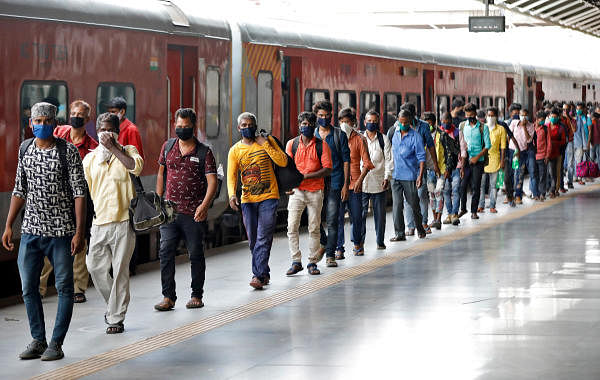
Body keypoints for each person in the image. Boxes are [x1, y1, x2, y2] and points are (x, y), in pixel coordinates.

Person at [2, 102, 87, 361]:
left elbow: (79, 193)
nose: (40, 125)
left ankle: (56, 343)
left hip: (61, 232)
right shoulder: (25, 149)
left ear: (54, 123)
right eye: (36, 121)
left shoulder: (68, 151)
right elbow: (19, 189)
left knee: (64, 287)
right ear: (30, 123)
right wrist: (8, 224)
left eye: (45, 121)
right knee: (28, 287)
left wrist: (79, 231)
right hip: (30, 231)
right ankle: (38, 340)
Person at [83, 113, 143, 334]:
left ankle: (115, 318)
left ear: (117, 132)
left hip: (123, 222)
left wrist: (115, 149)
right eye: (101, 130)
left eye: (109, 130)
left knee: (120, 271)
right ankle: (114, 305)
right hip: (99, 223)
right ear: (95, 131)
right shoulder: (89, 160)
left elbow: (135, 168)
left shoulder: (129, 152)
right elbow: (85, 192)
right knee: (94, 267)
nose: (105, 134)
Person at [154, 108, 217, 310]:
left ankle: (196, 295)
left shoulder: (204, 152)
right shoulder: (168, 146)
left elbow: (212, 182)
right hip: (170, 212)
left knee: (196, 253)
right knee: (165, 252)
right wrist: (159, 200)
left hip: (193, 212)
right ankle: (168, 297)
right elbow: (161, 173)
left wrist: (204, 205)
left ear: (193, 126)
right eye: (178, 126)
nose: (181, 130)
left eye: (186, 127)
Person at [39, 100, 97, 303]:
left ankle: (78, 287)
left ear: (87, 119)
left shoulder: (92, 147)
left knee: (79, 242)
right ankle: (40, 287)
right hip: (56, 199)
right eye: (73, 112)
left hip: (79, 200)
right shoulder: (59, 135)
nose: (75, 116)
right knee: (48, 243)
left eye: (80, 114)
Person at [227, 112, 288, 289]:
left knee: (263, 236)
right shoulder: (235, 151)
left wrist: (266, 145)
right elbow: (231, 177)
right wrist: (232, 195)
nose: (247, 128)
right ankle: (264, 271)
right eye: (243, 126)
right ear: (239, 128)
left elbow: (283, 161)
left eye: (250, 125)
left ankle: (258, 275)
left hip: (269, 196)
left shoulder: (267, 141)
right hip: (248, 200)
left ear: (255, 125)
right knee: (253, 239)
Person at [285, 112, 332, 276]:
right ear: (299, 126)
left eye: (310, 124)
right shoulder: (292, 144)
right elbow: (287, 168)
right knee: (292, 226)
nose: (306, 127)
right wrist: (288, 185)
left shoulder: (322, 145)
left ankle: (312, 262)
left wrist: (306, 176)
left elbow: (327, 169)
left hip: (315, 191)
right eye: (303, 124)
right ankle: (296, 261)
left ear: (314, 126)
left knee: (314, 227)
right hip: (296, 191)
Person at [107, 96, 144, 276]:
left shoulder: (131, 129)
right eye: (110, 111)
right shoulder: (114, 129)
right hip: (115, 181)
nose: (111, 114)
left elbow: (135, 159)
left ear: (122, 112)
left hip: (128, 181)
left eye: (114, 112)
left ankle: (130, 265)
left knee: (129, 224)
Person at [314, 100, 350, 268]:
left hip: (335, 183)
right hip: (316, 184)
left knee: (332, 220)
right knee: (314, 220)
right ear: (316, 116)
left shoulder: (339, 135)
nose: (324, 118)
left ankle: (330, 255)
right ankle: (325, 242)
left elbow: (346, 161)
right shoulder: (311, 135)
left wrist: (345, 185)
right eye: (321, 115)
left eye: (327, 115)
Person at [336, 107, 374, 257]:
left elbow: (367, 163)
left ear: (353, 123)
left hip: (355, 184)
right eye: (342, 122)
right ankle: (339, 248)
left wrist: (360, 180)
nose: (345, 124)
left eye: (347, 122)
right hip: (338, 184)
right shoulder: (335, 138)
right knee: (338, 217)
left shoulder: (359, 139)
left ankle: (357, 243)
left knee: (357, 216)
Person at [398, 103, 440, 235]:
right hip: (405, 168)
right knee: (407, 198)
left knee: (421, 195)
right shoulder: (397, 126)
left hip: (420, 167)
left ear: (413, 116)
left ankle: (423, 222)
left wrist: (435, 165)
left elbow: (431, 146)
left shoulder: (423, 127)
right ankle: (410, 226)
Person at [389, 110, 427, 240]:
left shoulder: (415, 137)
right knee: (397, 205)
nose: (403, 124)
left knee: (414, 204)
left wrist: (420, 176)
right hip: (395, 176)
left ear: (410, 122)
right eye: (401, 122)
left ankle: (420, 228)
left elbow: (421, 158)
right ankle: (399, 233)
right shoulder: (394, 133)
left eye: (405, 122)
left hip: (410, 176)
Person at [360, 110, 392, 249]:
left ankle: (380, 241)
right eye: (369, 121)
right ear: (364, 122)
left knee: (379, 215)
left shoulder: (383, 139)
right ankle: (359, 243)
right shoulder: (359, 138)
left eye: (374, 121)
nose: (371, 123)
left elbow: (389, 160)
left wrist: (387, 177)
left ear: (378, 122)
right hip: (361, 182)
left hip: (379, 182)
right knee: (359, 214)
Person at [458, 102, 491, 220]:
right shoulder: (462, 126)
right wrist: (462, 164)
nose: (469, 118)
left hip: (478, 161)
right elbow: (461, 144)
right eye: (467, 116)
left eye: (471, 115)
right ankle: (463, 209)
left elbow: (487, 146)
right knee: (462, 186)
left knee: (476, 186)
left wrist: (477, 157)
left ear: (475, 114)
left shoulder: (483, 127)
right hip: (466, 160)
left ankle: (474, 211)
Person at [437, 112, 463, 226]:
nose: (445, 124)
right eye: (443, 122)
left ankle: (454, 213)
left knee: (456, 189)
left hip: (456, 166)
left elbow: (463, 150)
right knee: (446, 191)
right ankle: (449, 213)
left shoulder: (457, 133)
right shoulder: (440, 134)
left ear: (451, 122)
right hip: (444, 168)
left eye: (447, 122)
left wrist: (462, 166)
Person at [478, 107, 506, 213]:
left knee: (493, 186)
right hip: (482, 159)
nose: (490, 117)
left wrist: (502, 161)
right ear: (485, 116)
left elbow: (503, 146)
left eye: (492, 115)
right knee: (481, 185)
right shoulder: (482, 128)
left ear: (496, 117)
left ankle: (492, 206)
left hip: (495, 159)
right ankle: (481, 205)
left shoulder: (501, 129)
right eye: (488, 115)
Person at [509, 108, 536, 203]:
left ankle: (518, 195)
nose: (523, 117)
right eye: (522, 115)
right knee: (511, 173)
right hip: (512, 151)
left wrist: (524, 127)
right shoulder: (513, 123)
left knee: (519, 174)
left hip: (522, 153)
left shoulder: (531, 126)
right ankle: (510, 195)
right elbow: (509, 135)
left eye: (525, 115)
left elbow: (529, 140)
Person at [423, 112, 443, 229]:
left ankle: (439, 219)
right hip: (428, 170)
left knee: (438, 193)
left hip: (440, 170)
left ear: (434, 123)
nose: (428, 126)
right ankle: (434, 218)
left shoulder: (441, 135)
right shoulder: (422, 136)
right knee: (431, 195)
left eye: (429, 123)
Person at [501, 103, 522, 208]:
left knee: (515, 173)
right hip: (505, 153)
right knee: (507, 176)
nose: (517, 115)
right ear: (510, 114)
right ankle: (509, 195)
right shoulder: (505, 124)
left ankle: (515, 195)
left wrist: (517, 149)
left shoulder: (522, 123)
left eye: (518, 113)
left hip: (514, 153)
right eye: (515, 114)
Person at [546, 109, 566, 198]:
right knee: (549, 172)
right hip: (547, 153)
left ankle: (554, 189)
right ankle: (550, 188)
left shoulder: (561, 128)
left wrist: (553, 143)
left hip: (557, 153)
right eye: (552, 117)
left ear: (558, 118)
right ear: (549, 117)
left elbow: (563, 141)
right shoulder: (546, 127)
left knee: (556, 172)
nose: (553, 118)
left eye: (555, 117)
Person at [573, 102, 592, 185]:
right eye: (577, 109)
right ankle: (577, 176)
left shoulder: (586, 119)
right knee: (576, 161)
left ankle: (581, 176)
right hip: (574, 143)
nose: (578, 110)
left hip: (583, 143)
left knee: (581, 161)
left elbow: (588, 132)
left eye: (580, 109)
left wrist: (587, 144)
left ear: (584, 109)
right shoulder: (575, 119)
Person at [533, 110, 551, 201]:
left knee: (542, 175)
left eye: (544, 119)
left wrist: (547, 155)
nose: (542, 121)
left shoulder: (545, 129)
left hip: (542, 156)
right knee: (534, 175)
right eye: (541, 119)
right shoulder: (532, 128)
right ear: (537, 119)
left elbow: (549, 143)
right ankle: (535, 193)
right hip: (533, 156)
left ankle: (542, 193)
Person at [562, 103, 576, 189]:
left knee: (570, 163)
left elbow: (574, 130)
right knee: (561, 163)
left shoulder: (573, 120)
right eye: (564, 110)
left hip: (570, 142)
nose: (565, 111)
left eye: (567, 110)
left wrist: (569, 120)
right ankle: (560, 184)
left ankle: (570, 181)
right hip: (562, 143)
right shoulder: (560, 119)